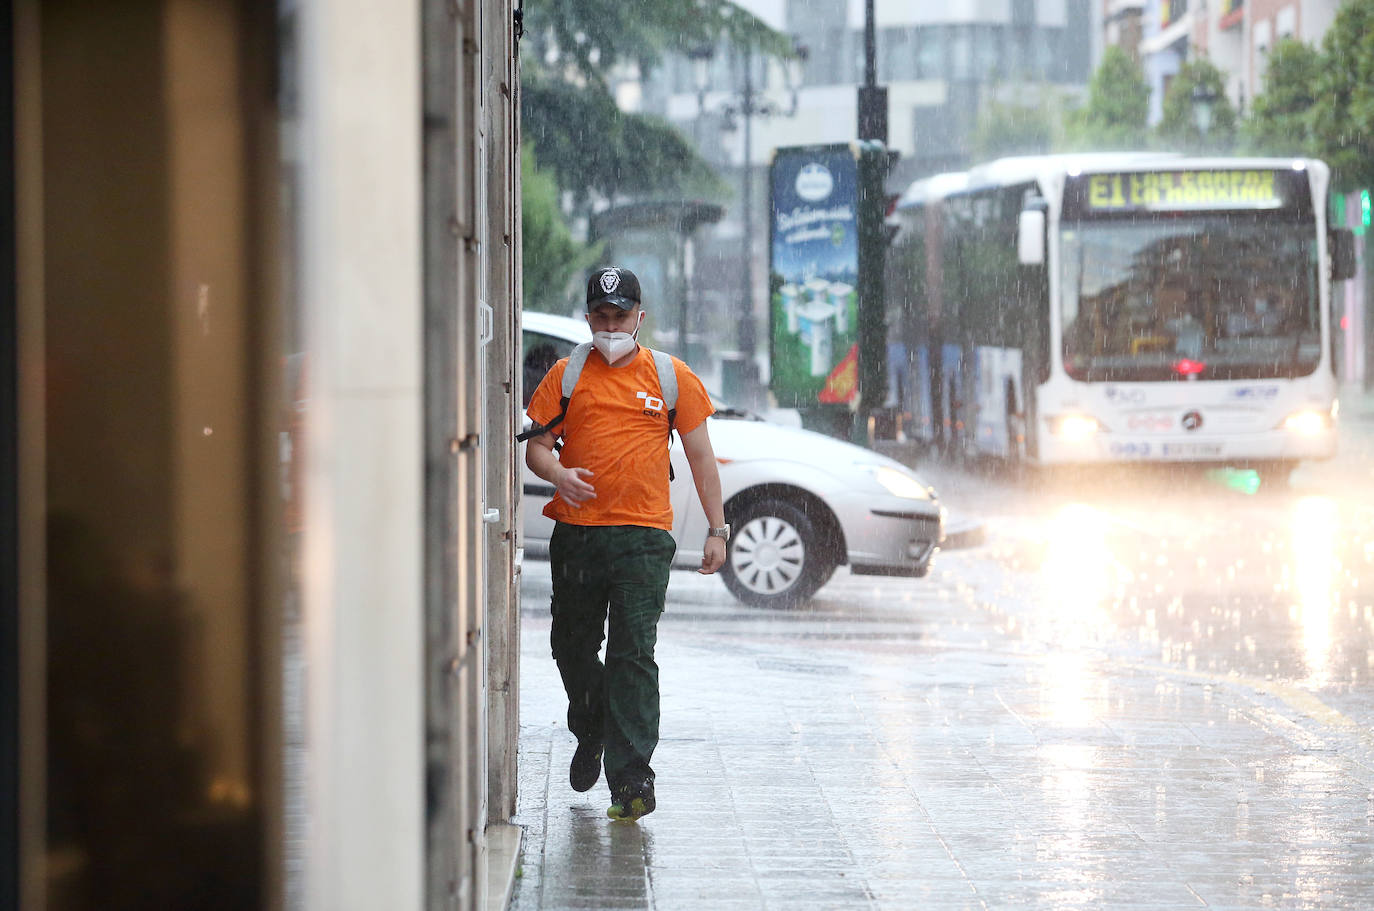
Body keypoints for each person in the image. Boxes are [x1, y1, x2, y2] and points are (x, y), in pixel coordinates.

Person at [523, 266, 727, 822]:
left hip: (643, 538)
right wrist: (559, 472)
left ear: (640, 317)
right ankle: (590, 730)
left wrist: (717, 528)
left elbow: (701, 455)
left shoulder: (669, 376)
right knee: (571, 645)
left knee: (632, 653)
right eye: (602, 316)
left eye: (622, 316)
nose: (611, 325)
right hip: (578, 537)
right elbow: (536, 448)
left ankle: (632, 777)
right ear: (588, 318)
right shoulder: (566, 376)